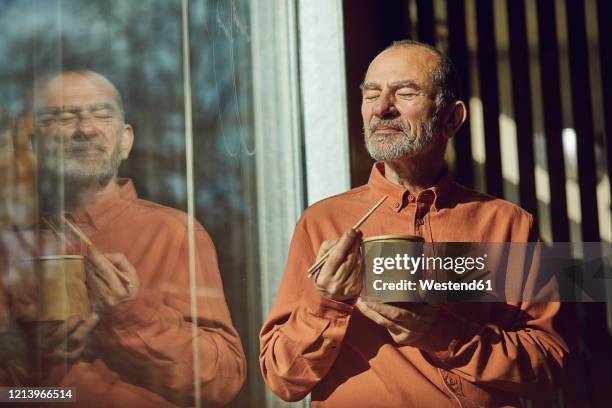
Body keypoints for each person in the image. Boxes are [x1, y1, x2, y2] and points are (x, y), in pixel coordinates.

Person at [259, 40, 567, 407]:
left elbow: (549, 368)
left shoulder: (508, 224)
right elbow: (282, 379)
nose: (381, 108)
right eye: (371, 93)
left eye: (405, 92)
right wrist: (327, 303)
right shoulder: (323, 222)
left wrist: (444, 334)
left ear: (452, 118)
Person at [0, 69, 246, 406]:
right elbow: (9, 397)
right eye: (61, 117)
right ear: (35, 147)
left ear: (126, 140)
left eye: (101, 114)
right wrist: (29, 359)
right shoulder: (10, 250)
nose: (84, 129)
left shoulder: (174, 234)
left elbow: (222, 382)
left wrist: (130, 318)